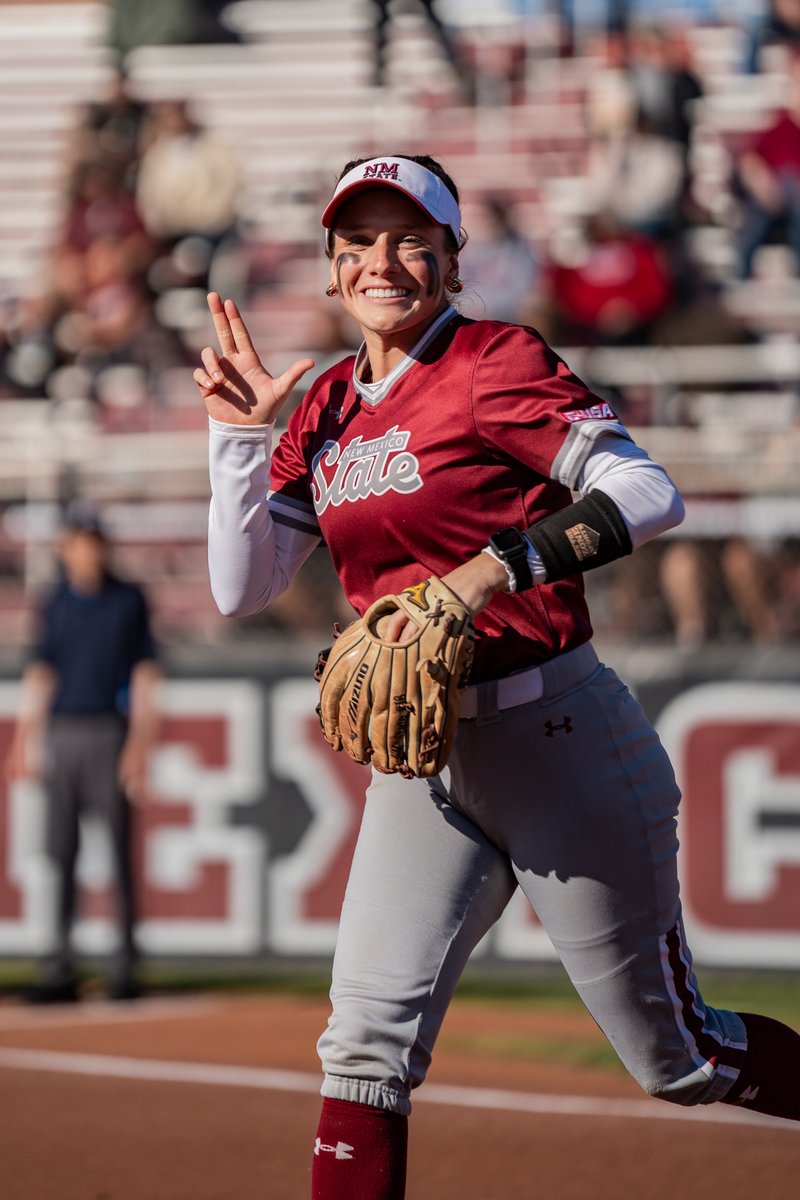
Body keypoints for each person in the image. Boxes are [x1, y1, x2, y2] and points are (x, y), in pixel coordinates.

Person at [196, 153, 800, 1199]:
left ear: (451, 257)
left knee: (680, 1060)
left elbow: (647, 492)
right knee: (362, 1049)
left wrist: (493, 570)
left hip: (557, 738)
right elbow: (238, 587)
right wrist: (236, 441)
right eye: (358, 244)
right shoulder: (325, 406)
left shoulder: (490, 361)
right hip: (424, 762)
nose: (383, 260)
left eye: (409, 239)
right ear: (332, 270)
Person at [5, 501, 161, 1003]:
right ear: (65, 548)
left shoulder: (127, 600)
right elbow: (42, 669)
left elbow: (143, 672)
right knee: (60, 852)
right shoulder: (54, 601)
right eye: (78, 542)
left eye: (93, 542)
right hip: (63, 731)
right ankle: (58, 967)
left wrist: (139, 744)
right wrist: (23, 738)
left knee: (117, 849)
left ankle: (124, 966)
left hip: (107, 730)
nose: (86, 552)